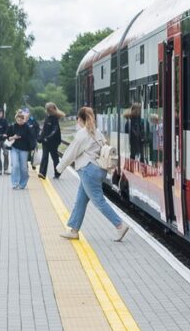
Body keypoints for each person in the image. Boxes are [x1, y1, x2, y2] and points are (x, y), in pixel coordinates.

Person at [56, 106, 129, 242]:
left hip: (88, 171)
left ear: (79, 119)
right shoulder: (97, 132)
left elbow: (71, 153)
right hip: (98, 170)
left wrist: (59, 168)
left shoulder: (82, 134)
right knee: (80, 201)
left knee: (99, 201)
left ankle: (120, 225)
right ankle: (74, 230)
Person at [6, 111, 33, 190]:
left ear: (23, 119)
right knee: (15, 165)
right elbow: (8, 138)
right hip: (14, 148)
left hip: (24, 149)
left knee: (24, 167)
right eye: (18, 120)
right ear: (16, 119)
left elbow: (31, 138)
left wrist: (33, 147)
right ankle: (14, 183)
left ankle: (22, 183)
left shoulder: (27, 127)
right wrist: (13, 137)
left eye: (21, 120)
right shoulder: (12, 127)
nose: (19, 121)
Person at [38, 102, 65, 180]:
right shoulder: (47, 117)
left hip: (53, 142)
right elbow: (44, 130)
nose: (48, 110)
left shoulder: (54, 118)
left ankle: (57, 173)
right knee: (45, 156)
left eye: (49, 108)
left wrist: (47, 137)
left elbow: (55, 130)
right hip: (46, 141)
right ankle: (42, 173)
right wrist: (40, 138)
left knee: (54, 157)